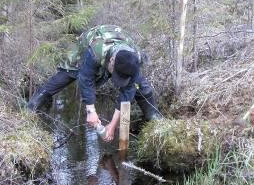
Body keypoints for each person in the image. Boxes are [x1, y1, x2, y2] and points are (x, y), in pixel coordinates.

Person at [27, 24, 161, 142]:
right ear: (112, 61)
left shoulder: (134, 60)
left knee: (142, 87)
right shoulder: (96, 50)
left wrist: (112, 125)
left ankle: (154, 119)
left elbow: (127, 93)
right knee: (66, 76)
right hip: (89, 44)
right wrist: (91, 111)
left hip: (118, 46)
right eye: (116, 74)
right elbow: (86, 79)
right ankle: (31, 109)